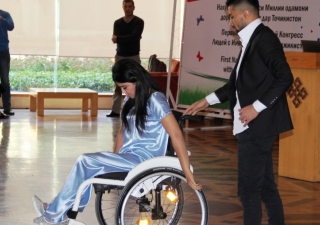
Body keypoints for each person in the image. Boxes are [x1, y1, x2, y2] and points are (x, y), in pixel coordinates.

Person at [32, 58, 202, 225]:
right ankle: (59, 210)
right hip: (129, 158)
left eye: (125, 87)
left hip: (145, 161)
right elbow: (122, 132)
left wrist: (186, 171)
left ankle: (54, 215)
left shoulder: (155, 99)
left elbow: (176, 134)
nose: (124, 92)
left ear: (136, 80)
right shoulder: (130, 100)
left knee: (85, 160)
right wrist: (113, 161)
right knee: (89, 166)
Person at [184, 0, 294, 224]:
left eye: (232, 16)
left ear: (245, 13)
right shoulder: (250, 40)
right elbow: (235, 85)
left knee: (248, 191)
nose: (230, 22)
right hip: (253, 127)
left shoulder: (264, 39)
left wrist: (256, 107)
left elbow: (285, 77)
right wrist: (207, 100)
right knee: (265, 187)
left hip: (257, 126)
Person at [107, 0, 144, 117]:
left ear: (133, 7)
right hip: (120, 55)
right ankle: (115, 110)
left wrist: (119, 39)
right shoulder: (117, 23)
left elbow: (133, 37)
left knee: (136, 83)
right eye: (125, 6)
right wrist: (132, 37)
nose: (127, 8)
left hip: (133, 56)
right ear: (123, 7)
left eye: (129, 6)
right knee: (117, 82)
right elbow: (133, 37)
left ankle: (136, 110)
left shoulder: (139, 21)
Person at [0, 9, 14, 118]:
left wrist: (1, 19)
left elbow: (11, 26)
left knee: (5, 81)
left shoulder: (5, 14)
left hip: (3, 52)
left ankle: (7, 108)